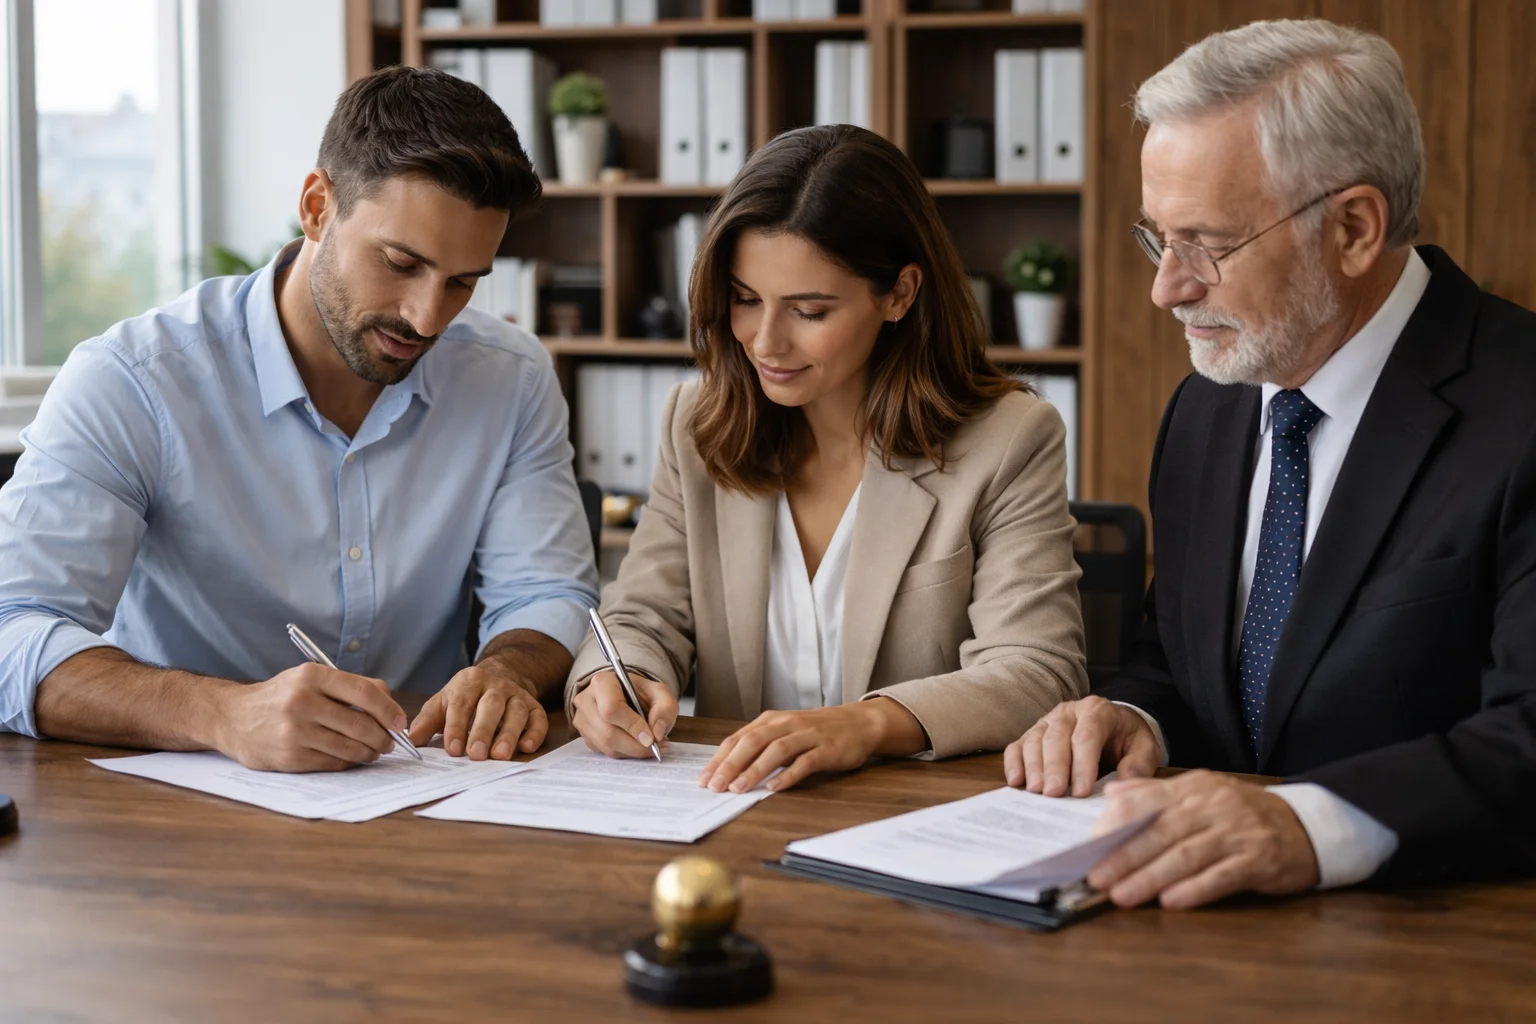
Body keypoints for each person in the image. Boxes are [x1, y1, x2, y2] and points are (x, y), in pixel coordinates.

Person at [1004, 19, 1536, 907]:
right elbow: (1175, 656)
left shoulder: (1519, 408)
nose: (1166, 287)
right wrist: (1132, 718)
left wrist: (1309, 824)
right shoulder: (1209, 402)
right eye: (1156, 238)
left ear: (1355, 229)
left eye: (1205, 244)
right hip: (1200, 934)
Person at [0, 67, 599, 771]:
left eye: (463, 281)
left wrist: (509, 673)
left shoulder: (512, 378)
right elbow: (13, 632)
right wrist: (220, 713)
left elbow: (548, 592)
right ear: (317, 206)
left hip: (426, 796)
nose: (427, 315)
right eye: (401, 262)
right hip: (179, 812)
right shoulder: (133, 380)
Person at [567, 125, 1087, 793]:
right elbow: (642, 615)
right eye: (745, 299)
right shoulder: (694, 422)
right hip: (727, 808)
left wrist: (864, 725)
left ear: (899, 294)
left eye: (809, 310)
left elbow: (1038, 669)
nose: (765, 341)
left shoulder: (1010, 438)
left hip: (911, 817)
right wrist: (618, 676)